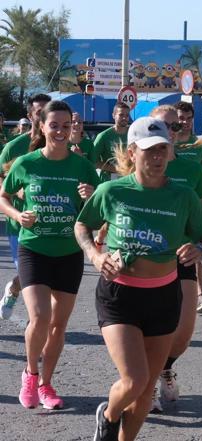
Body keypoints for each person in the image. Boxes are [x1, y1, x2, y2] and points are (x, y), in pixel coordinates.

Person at [75, 117, 202, 441]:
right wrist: (95, 255)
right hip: (119, 297)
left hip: (163, 297)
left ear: (170, 152)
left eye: (162, 150)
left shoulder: (182, 196)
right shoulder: (112, 191)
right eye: (149, 150)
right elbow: (82, 226)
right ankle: (109, 416)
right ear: (132, 151)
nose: (156, 157)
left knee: (144, 394)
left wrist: (200, 250)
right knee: (134, 380)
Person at [0, 100, 99, 410]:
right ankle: (30, 374)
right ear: (41, 127)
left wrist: (91, 196)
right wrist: (17, 216)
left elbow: (98, 213)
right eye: (53, 125)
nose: (59, 131)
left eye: (65, 126)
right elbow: (2, 196)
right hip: (35, 249)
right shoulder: (26, 163)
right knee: (40, 316)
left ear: (72, 129)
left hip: (69, 252)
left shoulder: (82, 166)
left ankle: (47, 383)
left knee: (58, 325)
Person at [147, 104, 202, 413]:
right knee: (146, 329)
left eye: (173, 126)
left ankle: (166, 367)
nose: (169, 131)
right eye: (161, 126)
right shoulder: (136, 164)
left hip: (181, 257)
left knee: (183, 332)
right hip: (142, 260)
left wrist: (201, 245)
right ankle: (143, 385)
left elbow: (201, 220)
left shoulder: (191, 169)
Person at [0, 93, 52, 320]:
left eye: (46, 110)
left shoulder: (59, 146)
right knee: (31, 274)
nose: (42, 115)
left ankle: (39, 320)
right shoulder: (13, 148)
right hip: (19, 223)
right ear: (30, 115)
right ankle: (15, 292)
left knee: (44, 275)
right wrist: (17, 190)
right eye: (38, 111)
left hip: (53, 223)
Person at [173, 101, 202, 314]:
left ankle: (200, 294)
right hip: (169, 207)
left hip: (193, 208)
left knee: (195, 248)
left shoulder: (199, 146)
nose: (185, 122)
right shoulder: (168, 145)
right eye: (181, 118)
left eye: (189, 118)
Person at [92, 102, 130, 182]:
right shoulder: (104, 136)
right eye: (121, 115)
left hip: (128, 179)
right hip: (109, 180)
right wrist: (115, 169)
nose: (124, 118)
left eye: (127, 115)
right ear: (113, 115)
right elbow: (92, 161)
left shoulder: (133, 134)